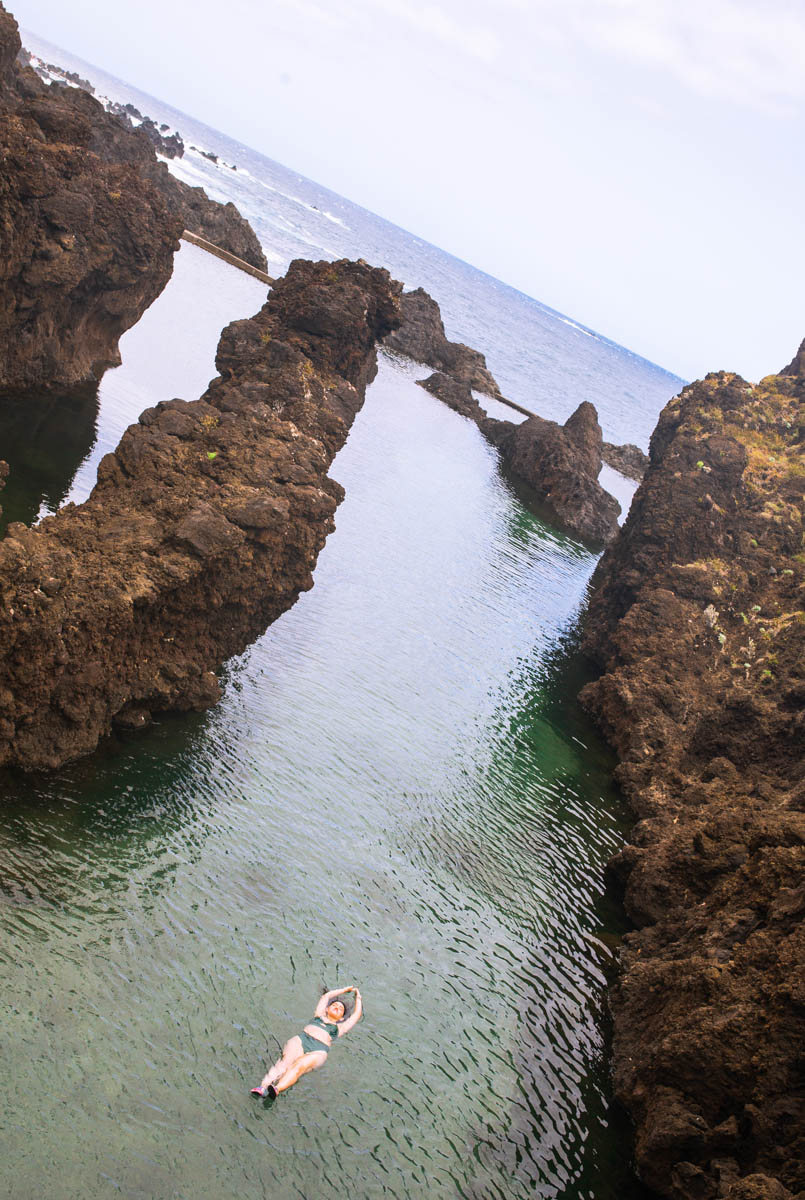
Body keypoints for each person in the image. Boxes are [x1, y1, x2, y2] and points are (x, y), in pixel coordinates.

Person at [251, 985, 362, 1098]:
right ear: (327, 1009)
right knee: (283, 1063)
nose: (337, 1007)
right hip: (302, 1039)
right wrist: (344, 990)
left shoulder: (340, 1028)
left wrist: (358, 997)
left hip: (318, 1050)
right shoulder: (318, 1015)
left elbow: (356, 1015)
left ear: (341, 1018)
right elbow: (326, 996)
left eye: (341, 1009)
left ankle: (277, 1089)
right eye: (335, 1005)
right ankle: (263, 1087)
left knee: (298, 1066)